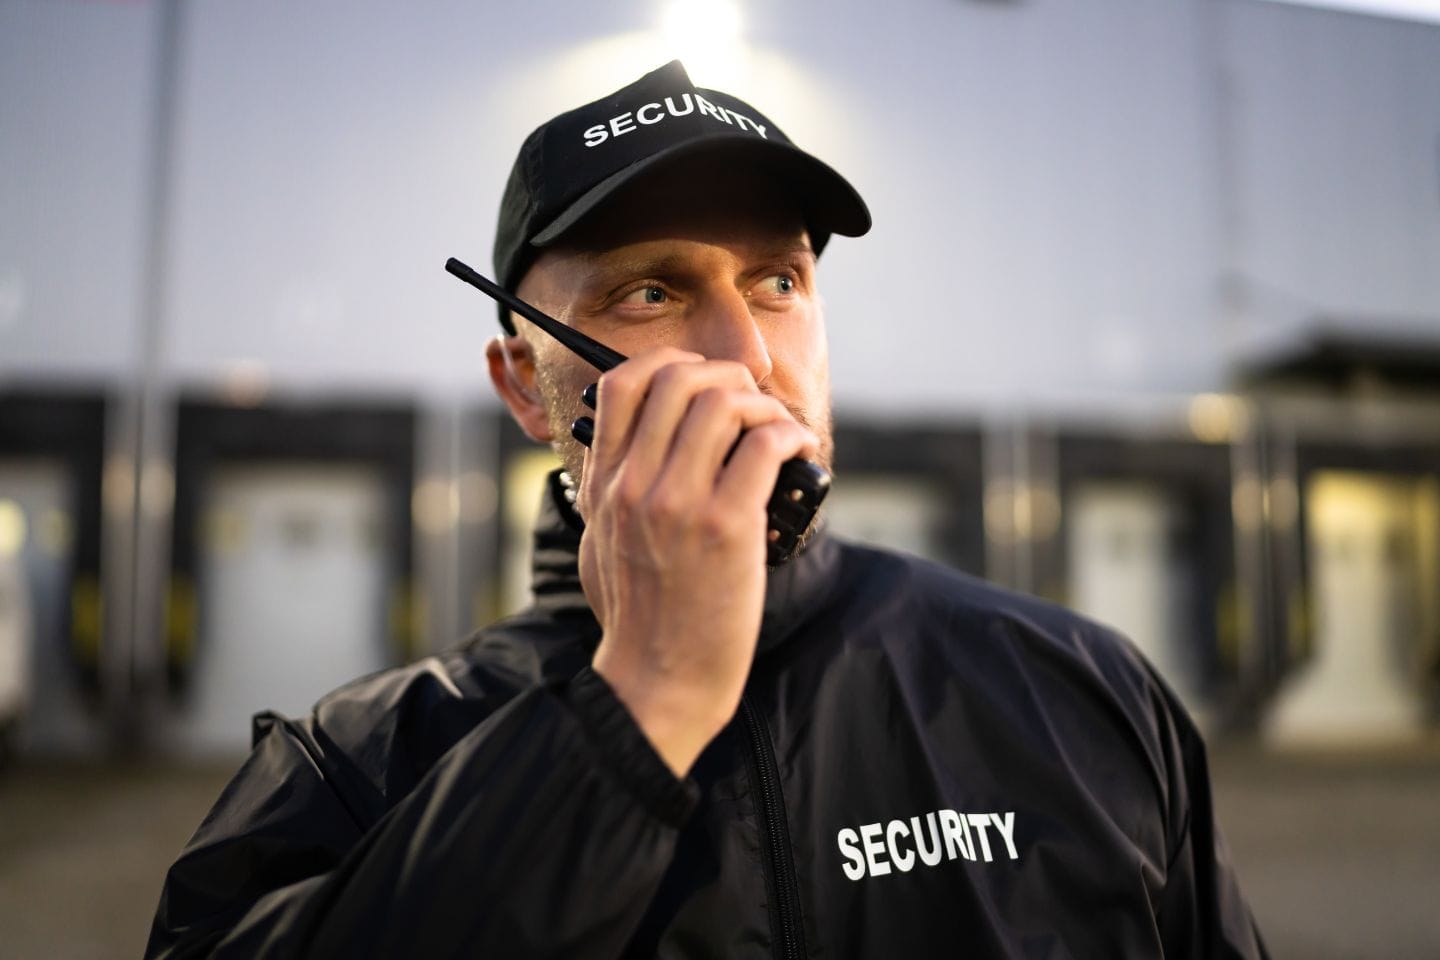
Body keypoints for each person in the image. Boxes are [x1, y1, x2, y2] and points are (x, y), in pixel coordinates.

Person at [147, 60, 1268, 958]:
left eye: (779, 282)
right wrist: (636, 709)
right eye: (652, 292)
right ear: (523, 385)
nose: (745, 355)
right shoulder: (356, 771)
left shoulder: (1079, 690)